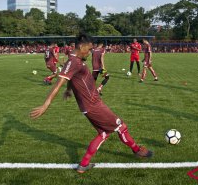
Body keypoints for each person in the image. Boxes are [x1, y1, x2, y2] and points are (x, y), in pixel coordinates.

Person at [30, 34, 153, 173]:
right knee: (121, 126)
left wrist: (69, 90)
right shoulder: (74, 62)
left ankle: (83, 164)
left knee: (104, 133)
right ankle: (136, 150)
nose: (89, 53)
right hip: (93, 105)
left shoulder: (75, 60)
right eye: (88, 50)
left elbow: (70, 78)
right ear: (81, 47)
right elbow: (59, 82)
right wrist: (46, 104)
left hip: (90, 105)